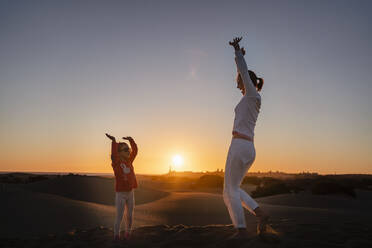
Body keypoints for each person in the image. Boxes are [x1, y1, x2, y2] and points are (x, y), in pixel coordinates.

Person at [223, 37, 269, 239]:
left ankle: (241, 230)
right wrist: (238, 59)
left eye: (238, 81)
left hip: (240, 145)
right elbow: (242, 72)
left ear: (246, 81)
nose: (236, 85)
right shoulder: (250, 99)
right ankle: (260, 214)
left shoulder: (252, 96)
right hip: (247, 146)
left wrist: (237, 53)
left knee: (228, 191)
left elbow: (243, 70)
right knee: (234, 188)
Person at [105, 133, 138, 241]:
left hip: (130, 193)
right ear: (119, 153)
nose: (128, 151)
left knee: (129, 215)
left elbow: (135, 151)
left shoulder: (129, 161)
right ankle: (116, 235)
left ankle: (128, 232)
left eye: (128, 149)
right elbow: (114, 155)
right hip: (121, 194)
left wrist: (131, 141)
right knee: (119, 216)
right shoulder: (116, 163)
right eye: (125, 149)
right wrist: (114, 141)